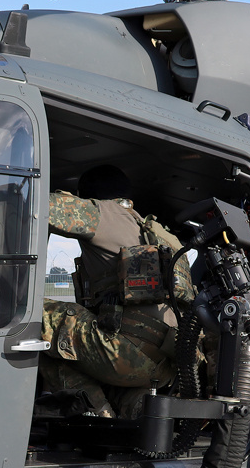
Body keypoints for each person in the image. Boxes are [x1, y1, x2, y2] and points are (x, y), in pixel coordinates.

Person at [39, 165, 190, 418]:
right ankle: (138, 411)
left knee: (32, 320)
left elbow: (37, 205)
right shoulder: (160, 234)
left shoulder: (102, 212)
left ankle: (97, 415)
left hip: (125, 354)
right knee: (99, 354)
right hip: (164, 364)